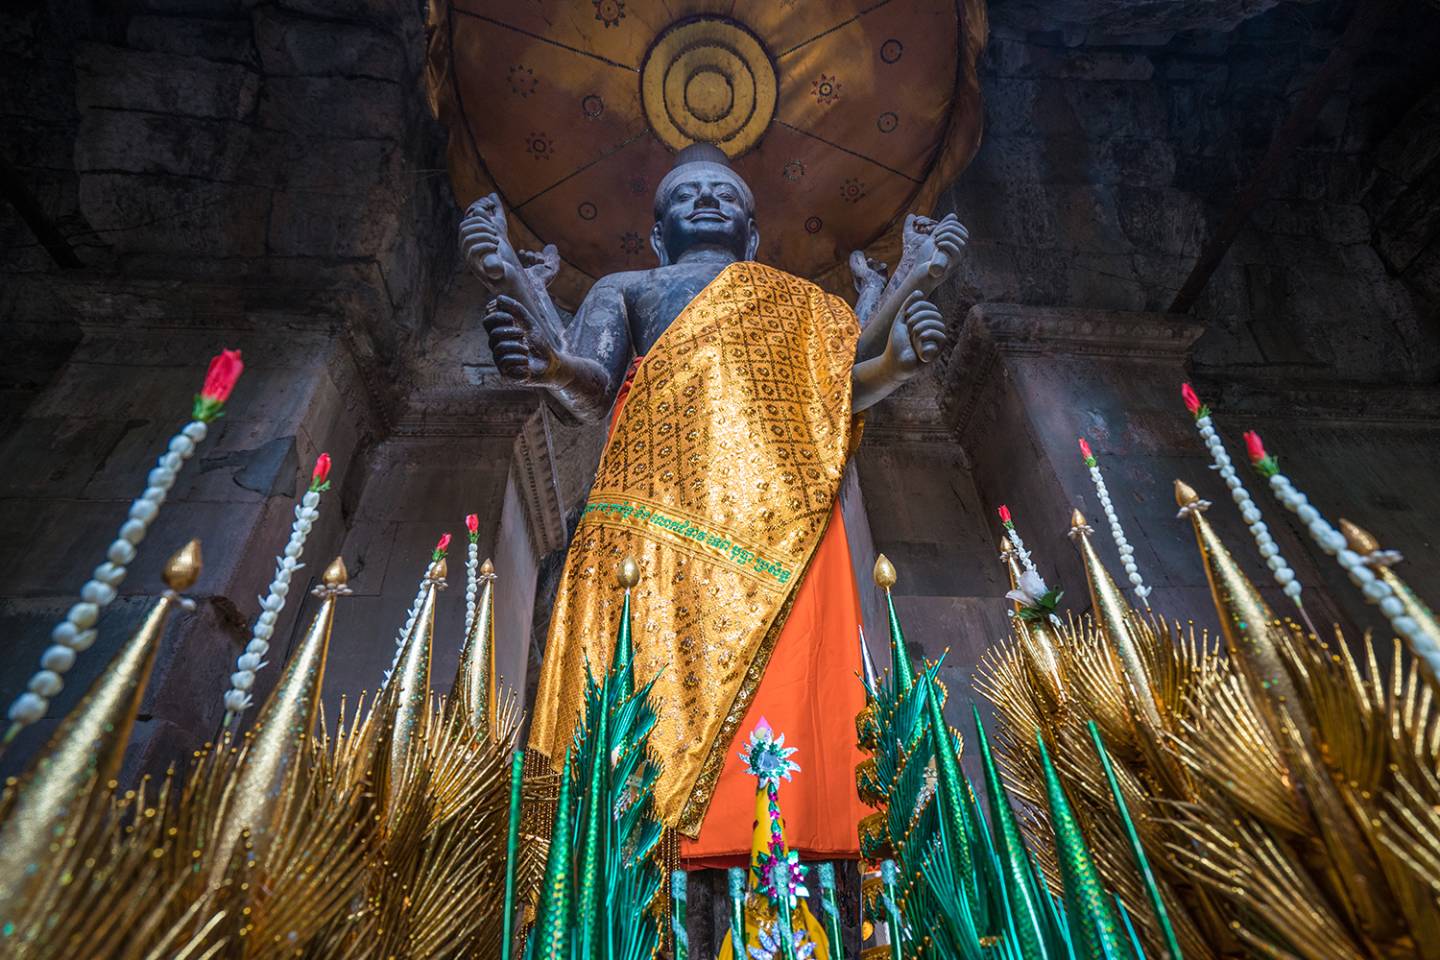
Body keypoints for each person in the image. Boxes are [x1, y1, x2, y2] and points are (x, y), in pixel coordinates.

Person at [459, 142, 965, 864]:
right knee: (636, 698)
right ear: (659, 233)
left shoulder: (806, 307)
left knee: (779, 708)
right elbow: (592, 387)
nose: (706, 200)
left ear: (754, 235)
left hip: (777, 523)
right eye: (686, 194)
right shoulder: (626, 286)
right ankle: (624, 891)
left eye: (725, 195)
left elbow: (833, 396)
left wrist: (892, 365)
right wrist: (548, 364)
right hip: (648, 516)